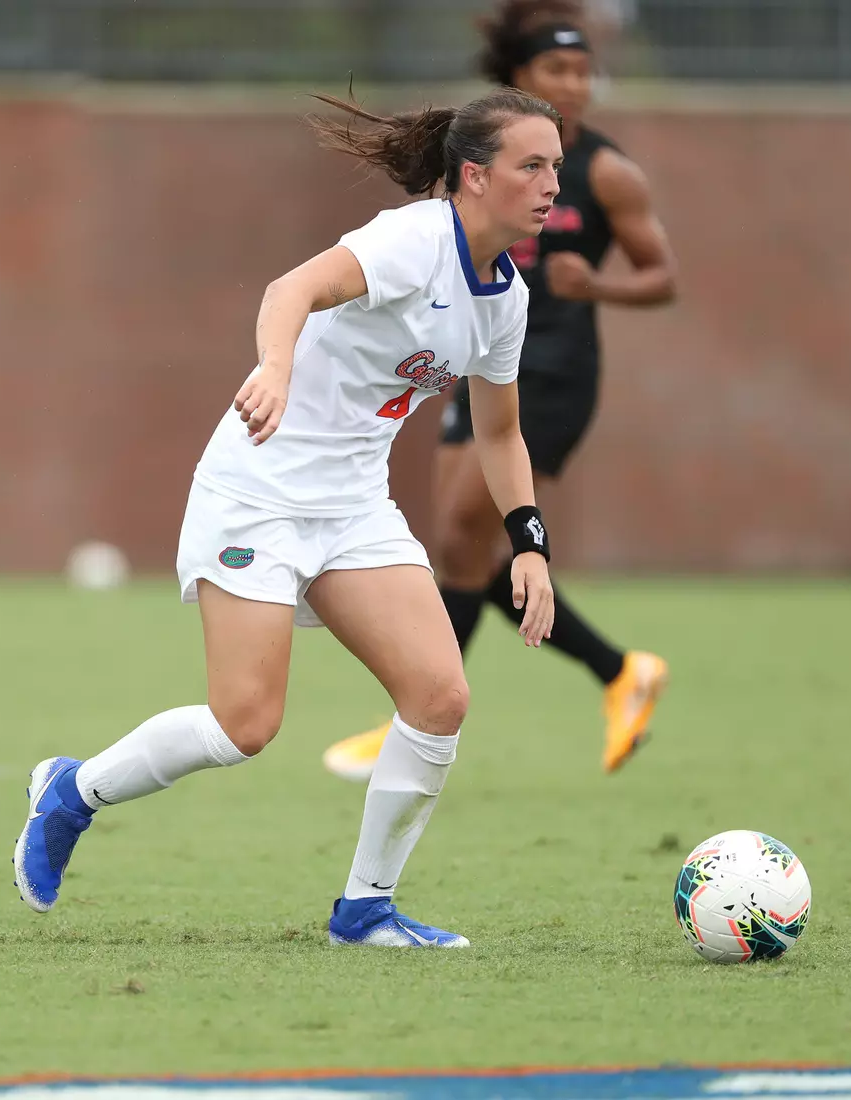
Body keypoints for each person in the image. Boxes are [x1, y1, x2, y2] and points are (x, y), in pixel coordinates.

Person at [13, 87, 563, 948]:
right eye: (532, 165)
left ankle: (365, 909)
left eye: (556, 166)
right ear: (474, 175)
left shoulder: (506, 297)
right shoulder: (414, 240)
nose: (550, 182)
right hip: (257, 491)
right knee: (245, 726)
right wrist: (274, 367)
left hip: (353, 506)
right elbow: (290, 289)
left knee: (440, 695)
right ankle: (72, 793)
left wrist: (528, 540)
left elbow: (500, 432)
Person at [322, 0, 678, 782]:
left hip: (548, 373)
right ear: (520, 81)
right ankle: (617, 670)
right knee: (458, 547)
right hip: (471, 361)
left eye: (585, 70)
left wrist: (599, 289)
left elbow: (663, 277)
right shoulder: (486, 170)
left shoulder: (607, 171)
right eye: (557, 70)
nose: (575, 85)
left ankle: (414, 717)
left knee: (470, 540)